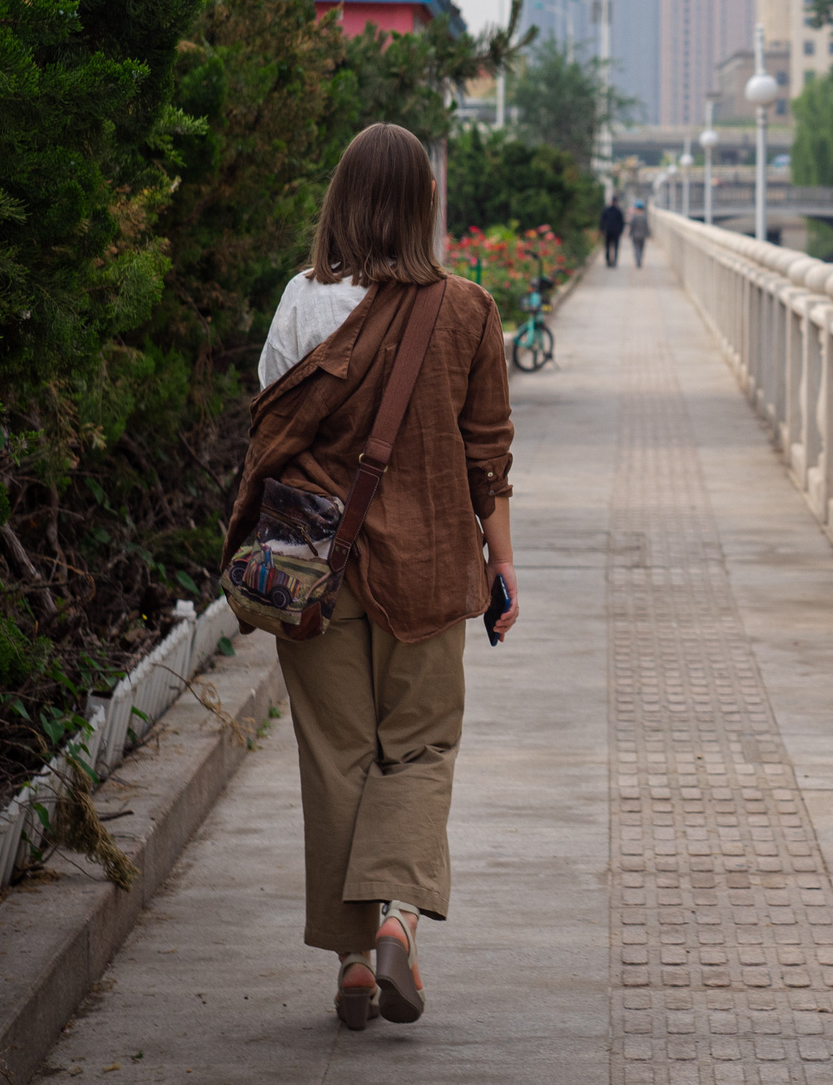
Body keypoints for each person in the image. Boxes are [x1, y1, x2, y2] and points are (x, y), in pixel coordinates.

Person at [226, 124, 519, 1032]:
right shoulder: (467, 309)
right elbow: (488, 458)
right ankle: (398, 917)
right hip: (430, 566)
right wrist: (501, 563)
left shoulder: (301, 301)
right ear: (425, 205)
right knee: (421, 748)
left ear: (340, 201)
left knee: (338, 755)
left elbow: (270, 425)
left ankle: (354, 961)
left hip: (316, 567)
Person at [599, 197, 625, 267]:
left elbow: (621, 222)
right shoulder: (616, 211)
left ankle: (612, 261)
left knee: (611, 247)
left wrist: (601, 229)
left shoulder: (609, 210)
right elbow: (622, 222)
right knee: (611, 247)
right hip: (612, 231)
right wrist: (601, 229)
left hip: (611, 231)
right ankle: (610, 261)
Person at [627, 199, 652, 268]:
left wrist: (630, 234)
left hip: (635, 236)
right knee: (641, 248)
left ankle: (638, 260)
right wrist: (648, 235)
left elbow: (632, 227)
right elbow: (647, 227)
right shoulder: (644, 218)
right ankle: (640, 259)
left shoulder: (634, 218)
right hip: (642, 236)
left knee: (636, 248)